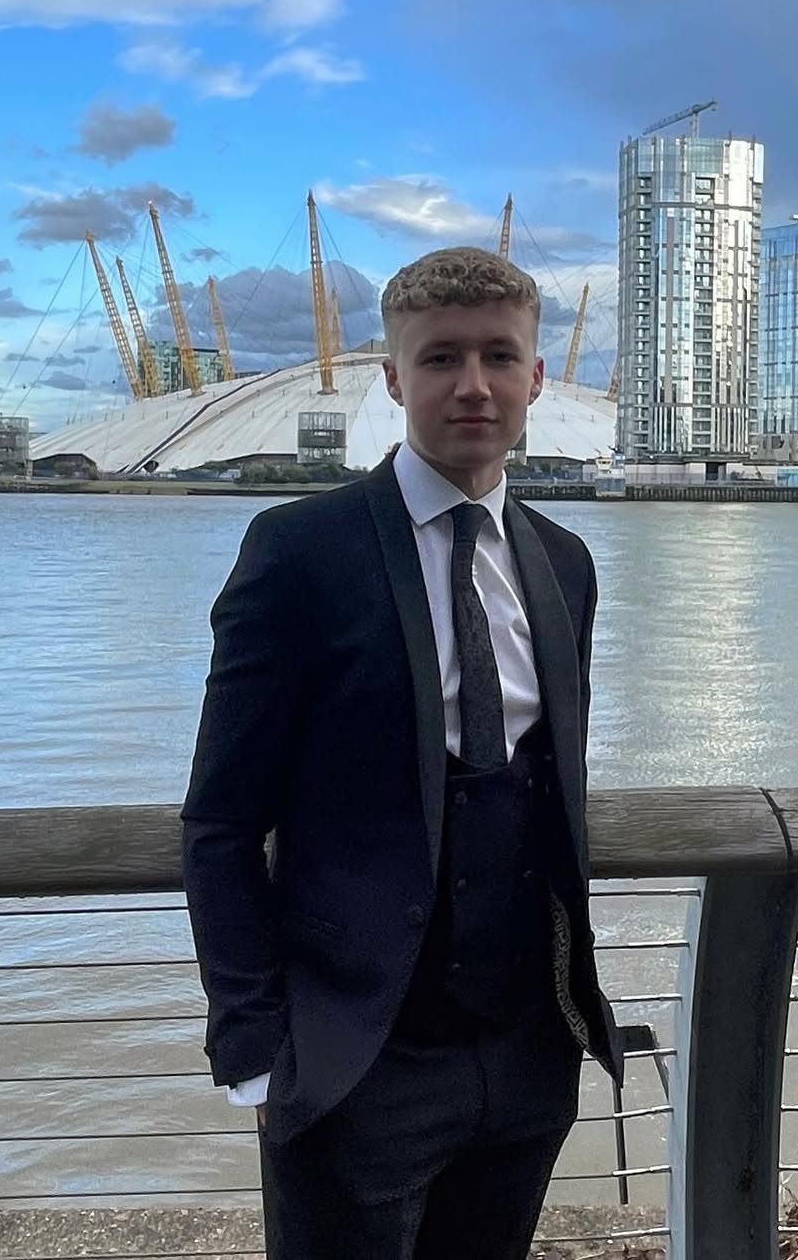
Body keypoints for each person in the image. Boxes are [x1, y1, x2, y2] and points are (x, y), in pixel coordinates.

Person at [181, 246, 623, 1260]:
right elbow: (220, 820)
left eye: (499, 356)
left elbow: (548, 786)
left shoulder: (565, 563)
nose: (473, 385)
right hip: (353, 1061)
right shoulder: (300, 552)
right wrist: (256, 1050)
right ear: (392, 376)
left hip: (525, 1056)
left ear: (537, 376)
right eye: (440, 358)